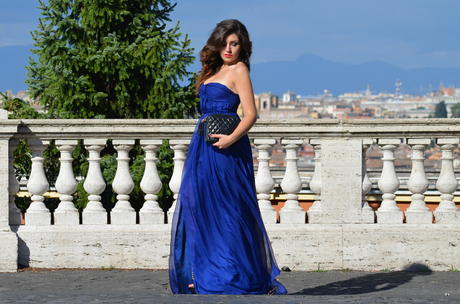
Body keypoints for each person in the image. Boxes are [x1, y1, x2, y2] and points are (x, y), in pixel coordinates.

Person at [169, 19, 287, 295]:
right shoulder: (213, 69)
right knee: (199, 206)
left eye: (235, 43)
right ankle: (202, 272)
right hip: (202, 148)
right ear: (217, 43)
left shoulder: (239, 70)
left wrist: (231, 139)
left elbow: (251, 114)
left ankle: (238, 275)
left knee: (230, 211)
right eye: (225, 43)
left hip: (228, 149)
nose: (229, 48)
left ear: (242, 46)